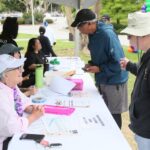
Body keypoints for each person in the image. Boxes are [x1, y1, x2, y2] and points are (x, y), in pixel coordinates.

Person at [71, 9, 128, 128]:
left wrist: (100, 68)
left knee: (113, 114)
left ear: (90, 23)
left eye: (80, 26)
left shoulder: (107, 35)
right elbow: (100, 55)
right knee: (103, 110)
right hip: (103, 78)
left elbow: (119, 63)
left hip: (114, 81)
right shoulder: (92, 34)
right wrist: (91, 64)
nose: (79, 29)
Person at [0, 54, 44, 150]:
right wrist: (33, 117)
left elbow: (23, 100)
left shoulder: (11, 86)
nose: (22, 70)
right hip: (5, 142)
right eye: (17, 68)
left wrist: (31, 108)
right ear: (5, 74)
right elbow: (11, 128)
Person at [120, 12, 150, 150]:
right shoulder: (146, 56)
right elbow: (142, 71)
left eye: (130, 36)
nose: (129, 40)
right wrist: (128, 65)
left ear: (144, 35)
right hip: (142, 126)